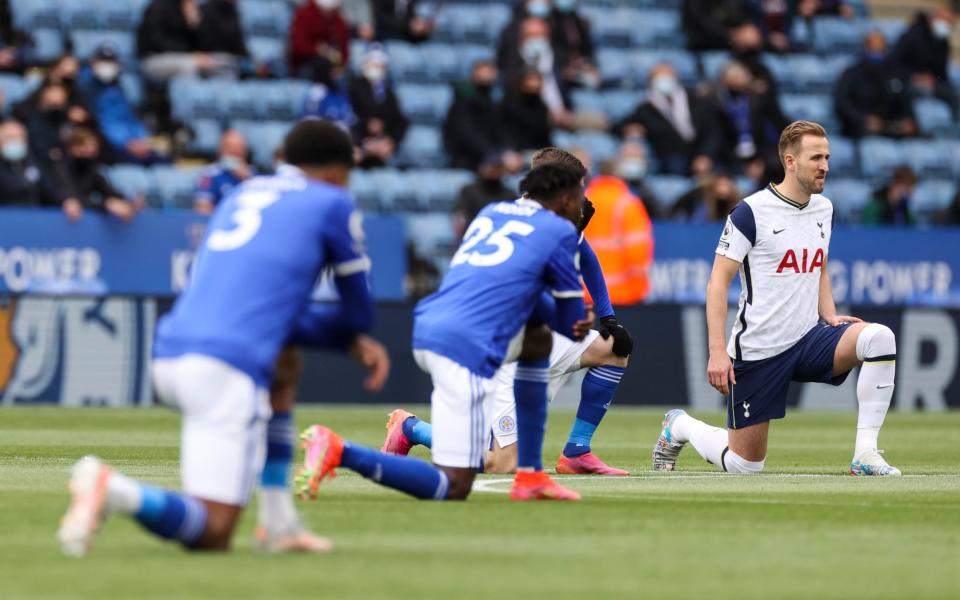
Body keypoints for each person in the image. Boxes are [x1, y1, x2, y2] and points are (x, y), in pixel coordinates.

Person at [57, 120, 390, 555]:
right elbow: (356, 315)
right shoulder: (331, 201)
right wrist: (345, 339)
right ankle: (114, 489)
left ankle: (278, 524)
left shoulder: (241, 192)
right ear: (338, 171)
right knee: (213, 530)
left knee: (284, 366)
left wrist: (316, 334)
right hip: (224, 370)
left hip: (172, 352)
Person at [296, 163, 589, 502]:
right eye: (581, 196)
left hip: (431, 324)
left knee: (537, 340)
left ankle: (531, 477)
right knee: (454, 485)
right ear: (567, 199)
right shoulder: (559, 231)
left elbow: (515, 292)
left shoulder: (492, 212)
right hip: (466, 346)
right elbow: (570, 321)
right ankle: (339, 450)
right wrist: (579, 318)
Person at [652, 121, 901, 477]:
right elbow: (717, 283)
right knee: (745, 466)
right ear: (790, 161)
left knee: (879, 338)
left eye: (827, 157)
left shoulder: (824, 209)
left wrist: (829, 315)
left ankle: (865, 454)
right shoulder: (749, 213)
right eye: (816, 157)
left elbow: (820, 267)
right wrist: (717, 351)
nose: (825, 165)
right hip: (760, 349)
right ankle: (679, 426)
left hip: (809, 337)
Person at [383, 147, 633, 476]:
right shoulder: (555, 225)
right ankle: (411, 429)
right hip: (501, 345)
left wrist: (608, 316)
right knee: (502, 464)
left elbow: (584, 257)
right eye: (579, 187)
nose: (583, 196)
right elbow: (563, 309)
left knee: (615, 350)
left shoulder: (498, 213)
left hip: (510, 330)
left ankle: (576, 452)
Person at [617, 64, 720, 177]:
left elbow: (712, 130)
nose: (663, 80)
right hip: (672, 159)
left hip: (704, 152)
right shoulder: (646, 108)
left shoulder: (697, 101)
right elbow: (619, 126)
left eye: (667, 76)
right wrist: (631, 128)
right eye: (658, 77)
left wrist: (705, 155)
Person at [78, 43, 169, 166]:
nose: (107, 65)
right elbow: (101, 122)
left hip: (134, 144)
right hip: (110, 145)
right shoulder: (86, 87)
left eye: (111, 61)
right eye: (103, 60)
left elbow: (132, 117)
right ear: (93, 62)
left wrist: (141, 140)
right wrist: (125, 144)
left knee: (164, 161)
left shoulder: (120, 87)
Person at [582, 174, 654, 305]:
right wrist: (639, 289)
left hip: (585, 293)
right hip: (623, 294)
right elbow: (637, 251)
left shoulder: (581, 201)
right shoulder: (628, 203)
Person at [835, 31, 916, 139]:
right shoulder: (852, 73)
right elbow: (842, 103)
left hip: (889, 126)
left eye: (880, 48)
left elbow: (904, 100)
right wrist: (864, 119)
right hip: (860, 127)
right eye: (873, 47)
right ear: (866, 48)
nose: (877, 52)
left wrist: (908, 119)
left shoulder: (894, 73)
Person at [442, 60, 516, 171]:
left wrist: (507, 151)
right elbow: (466, 134)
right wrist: (492, 154)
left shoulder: (492, 103)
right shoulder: (462, 102)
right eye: (483, 73)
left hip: (491, 157)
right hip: (466, 161)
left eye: (489, 73)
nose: (487, 76)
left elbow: (501, 131)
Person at [137, 0, 239, 81]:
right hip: (154, 59)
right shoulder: (158, 6)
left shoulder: (192, 9)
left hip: (189, 57)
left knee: (225, 63)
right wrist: (192, 56)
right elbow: (156, 42)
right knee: (189, 67)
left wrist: (195, 25)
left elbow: (204, 45)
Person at [54, 128, 138, 223]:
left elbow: (108, 190)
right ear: (73, 148)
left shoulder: (91, 168)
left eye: (93, 148)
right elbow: (71, 197)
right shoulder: (61, 169)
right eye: (85, 147)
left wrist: (126, 202)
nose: (91, 151)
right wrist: (105, 204)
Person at [348, 45, 408, 168]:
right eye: (373, 64)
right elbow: (346, 115)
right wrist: (365, 128)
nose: (377, 69)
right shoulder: (352, 87)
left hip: (381, 147)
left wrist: (390, 141)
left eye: (380, 65)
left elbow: (399, 120)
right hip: (357, 144)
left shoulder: (388, 92)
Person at [891, 7, 957, 117]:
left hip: (932, 84)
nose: (946, 25)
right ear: (932, 19)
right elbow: (894, 64)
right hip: (906, 82)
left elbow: (941, 74)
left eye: (950, 23)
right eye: (944, 20)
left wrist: (935, 80)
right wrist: (914, 77)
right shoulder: (911, 37)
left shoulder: (943, 44)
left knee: (954, 93)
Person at [0, 120, 65, 207]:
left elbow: (50, 189)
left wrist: (66, 200)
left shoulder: (33, 162)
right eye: (9, 138)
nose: (15, 141)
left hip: (33, 215)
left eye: (19, 137)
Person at [452, 153, 516, 241]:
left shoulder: (509, 194)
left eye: (498, 167)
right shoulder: (468, 191)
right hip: (472, 237)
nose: (494, 171)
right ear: (482, 167)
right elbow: (460, 216)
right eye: (491, 167)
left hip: (501, 238)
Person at [194, 129, 254, 215]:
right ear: (221, 150)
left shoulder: (254, 175)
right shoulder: (209, 175)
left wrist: (247, 178)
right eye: (231, 148)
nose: (237, 152)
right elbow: (202, 209)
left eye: (240, 148)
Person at [288, 0, 351, 78]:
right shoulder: (304, 14)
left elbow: (344, 50)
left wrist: (340, 66)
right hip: (306, 64)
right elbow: (298, 46)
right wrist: (318, 50)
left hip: (332, 67)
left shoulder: (339, 21)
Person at [550, 0, 600, 90]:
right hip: (559, 68)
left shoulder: (575, 18)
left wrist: (588, 64)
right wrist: (566, 64)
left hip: (578, 66)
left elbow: (585, 46)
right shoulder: (550, 20)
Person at [501, 69, 554, 153]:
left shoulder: (542, 107)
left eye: (537, 80)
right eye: (530, 80)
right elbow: (507, 134)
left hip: (541, 151)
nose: (534, 84)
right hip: (518, 152)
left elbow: (545, 136)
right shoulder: (510, 106)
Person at [298, 57, 356, 131]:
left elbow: (350, 119)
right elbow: (309, 123)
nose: (339, 76)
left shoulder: (341, 94)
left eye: (341, 72)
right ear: (325, 73)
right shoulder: (316, 93)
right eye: (335, 73)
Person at [611, 140, 662, 219]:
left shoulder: (651, 187)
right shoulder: (608, 185)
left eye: (636, 157)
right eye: (628, 157)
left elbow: (659, 214)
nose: (632, 161)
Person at [671, 172, 741, 223]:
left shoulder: (739, 202)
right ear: (714, 185)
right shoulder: (700, 194)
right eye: (720, 184)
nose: (723, 188)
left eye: (726, 185)